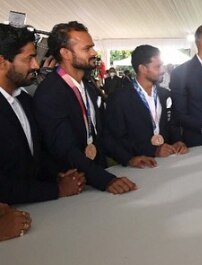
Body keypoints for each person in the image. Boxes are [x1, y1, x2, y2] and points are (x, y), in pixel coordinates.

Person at [33, 22, 137, 194]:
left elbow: (102, 134)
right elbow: (65, 149)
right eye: (87, 48)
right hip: (73, 187)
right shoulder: (49, 93)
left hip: (97, 177)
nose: (94, 53)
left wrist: (129, 159)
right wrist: (106, 180)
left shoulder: (89, 88)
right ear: (65, 53)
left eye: (92, 47)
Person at [1, 24, 84, 204]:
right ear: (2, 62)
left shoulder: (25, 100)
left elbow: (34, 157)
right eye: (29, 58)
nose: (36, 65)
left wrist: (59, 174)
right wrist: (57, 189)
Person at [104, 45, 188, 167]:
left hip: (169, 162)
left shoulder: (165, 95)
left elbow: (172, 125)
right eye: (158, 66)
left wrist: (178, 141)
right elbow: (115, 138)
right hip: (140, 166)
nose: (163, 70)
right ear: (143, 68)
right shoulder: (119, 98)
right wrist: (152, 150)